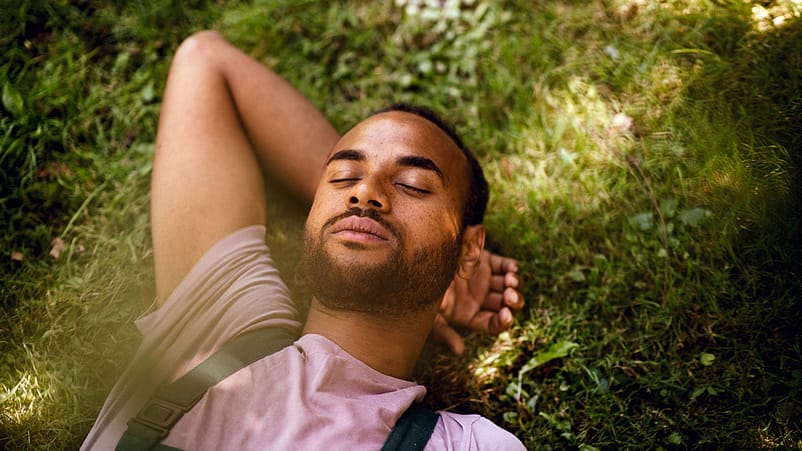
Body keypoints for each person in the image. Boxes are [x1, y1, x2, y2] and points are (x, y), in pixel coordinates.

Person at [81, 31, 525, 450]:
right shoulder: (218, 329)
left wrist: (437, 264)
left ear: (470, 247)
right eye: (344, 176)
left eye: (412, 184)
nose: (363, 192)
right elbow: (205, 60)